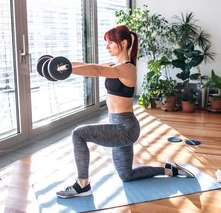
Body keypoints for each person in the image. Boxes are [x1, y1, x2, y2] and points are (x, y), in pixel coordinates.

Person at [56, 25, 194, 199]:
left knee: (78, 134)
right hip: (117, 127)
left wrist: (64, 69)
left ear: (123, 42)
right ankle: (170, 170)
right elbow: (87, 66)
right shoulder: (115, 65)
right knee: (127, 176)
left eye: (110, 43)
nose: (107, 47)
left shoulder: (127, 68)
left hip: (125, 128)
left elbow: (97, 71)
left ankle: (82, 185)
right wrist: (59, 64)